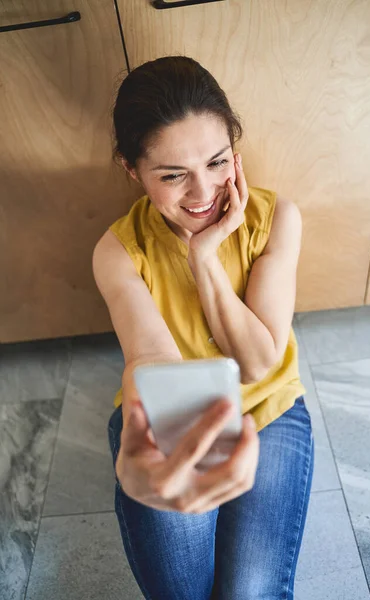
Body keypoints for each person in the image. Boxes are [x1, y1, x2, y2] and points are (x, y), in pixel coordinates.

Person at [92, 55, 314, 600]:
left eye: (217, 163)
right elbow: (150, 357)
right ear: (132, 170)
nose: (203, 194)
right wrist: (146, 449)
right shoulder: (117, 251)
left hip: (270, 412)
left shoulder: (276, 218)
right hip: (172, 411)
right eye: (172, 175)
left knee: (250, 594)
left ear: (234, 151)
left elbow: (259, 362)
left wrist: (205, 257)